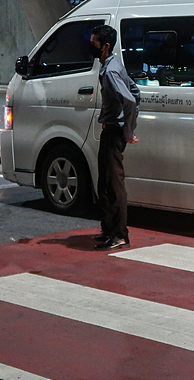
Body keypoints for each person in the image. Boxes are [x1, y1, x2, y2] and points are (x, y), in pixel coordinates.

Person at [89, 24, 140, 250]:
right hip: (111, 128)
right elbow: (135, 93)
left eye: (94, 44)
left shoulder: (110, 71)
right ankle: (109, 229)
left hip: (115, 133)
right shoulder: (114, 63)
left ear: (105, 46)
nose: (91, 47)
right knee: (105, 182)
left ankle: (119, 234)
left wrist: (128, 132)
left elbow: (129, 100)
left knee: (114, 184)